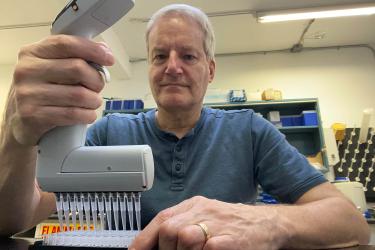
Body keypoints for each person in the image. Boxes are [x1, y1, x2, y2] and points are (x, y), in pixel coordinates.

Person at [0, 3, 369, 250]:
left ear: (210, 70)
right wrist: (16, 140)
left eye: (188, 55)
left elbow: (348, 222)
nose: (172, 67)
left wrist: (267, 221)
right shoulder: (110, 132)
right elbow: (14, 217)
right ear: (149, 69)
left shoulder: (250, 131)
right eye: (160, 55)